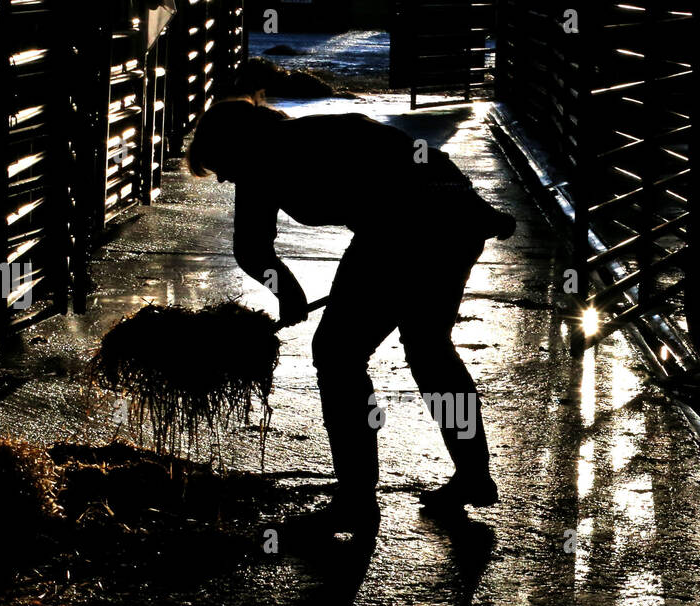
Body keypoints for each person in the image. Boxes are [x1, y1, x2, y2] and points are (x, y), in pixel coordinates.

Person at [188, 96, 515, 532]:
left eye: (222, 166)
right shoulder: (278, 150)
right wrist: (285, 287)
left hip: (415, 225)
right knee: (429, 349)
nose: (225, 177)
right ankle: (472, 475)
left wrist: (287, 290)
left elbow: (416, 166)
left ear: (239, 146)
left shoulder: (280, 152)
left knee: (339, 353)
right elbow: (253, 248)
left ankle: (357, 500)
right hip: (435, 222)